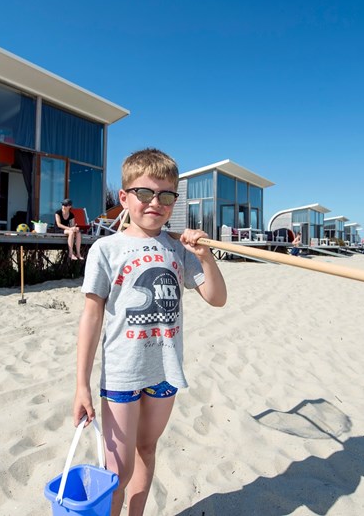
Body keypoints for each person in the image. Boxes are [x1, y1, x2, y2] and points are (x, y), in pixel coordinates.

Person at [72, 148, 227, 516]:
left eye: (165, 196)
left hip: (165, 369)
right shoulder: (106, 249)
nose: (154, 203)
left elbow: (216, 298)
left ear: (175, 200)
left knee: (147, 449)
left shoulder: (178, 248)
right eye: (144, 193)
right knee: (117, 471)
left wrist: (204, 256)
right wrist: (81, 384)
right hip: (124, 372)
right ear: (124, 197)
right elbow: (91, 318)